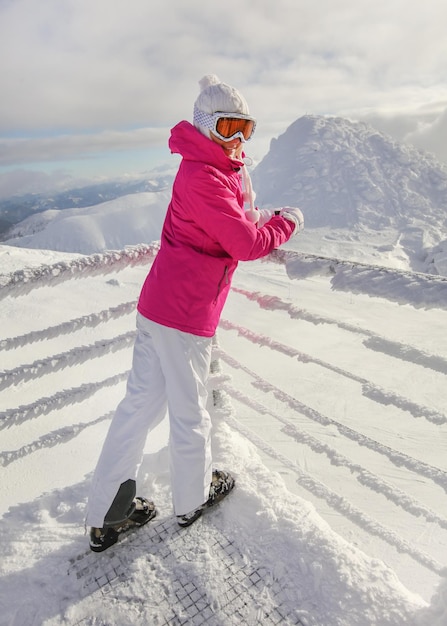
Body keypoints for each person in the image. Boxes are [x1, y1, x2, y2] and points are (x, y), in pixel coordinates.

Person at [86, 74, 304, 552]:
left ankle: (108, 513)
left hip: (161, 306)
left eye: (246, 129)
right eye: (228, 128)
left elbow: (232, 221)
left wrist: (258, 216)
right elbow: (245, 244)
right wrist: (285, 225)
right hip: (183, 314)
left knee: (138, 408)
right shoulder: (204, 174)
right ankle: (192, 499)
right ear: (207, 127)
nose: (238, 139)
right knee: (191, 412)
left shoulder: (209, 168)